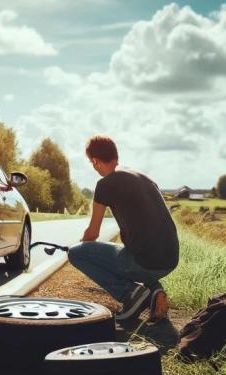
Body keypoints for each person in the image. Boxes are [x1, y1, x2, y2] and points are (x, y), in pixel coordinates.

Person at [69, 135, 179, 325]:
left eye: (91, 162)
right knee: (126, 250)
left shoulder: (105, 184)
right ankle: (154, 290)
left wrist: (81, 243)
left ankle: (131, 295)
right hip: (170, 260)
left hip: (144, 263)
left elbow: (92, 234)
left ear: (95, 161)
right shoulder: (143, 177)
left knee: (76, 253)